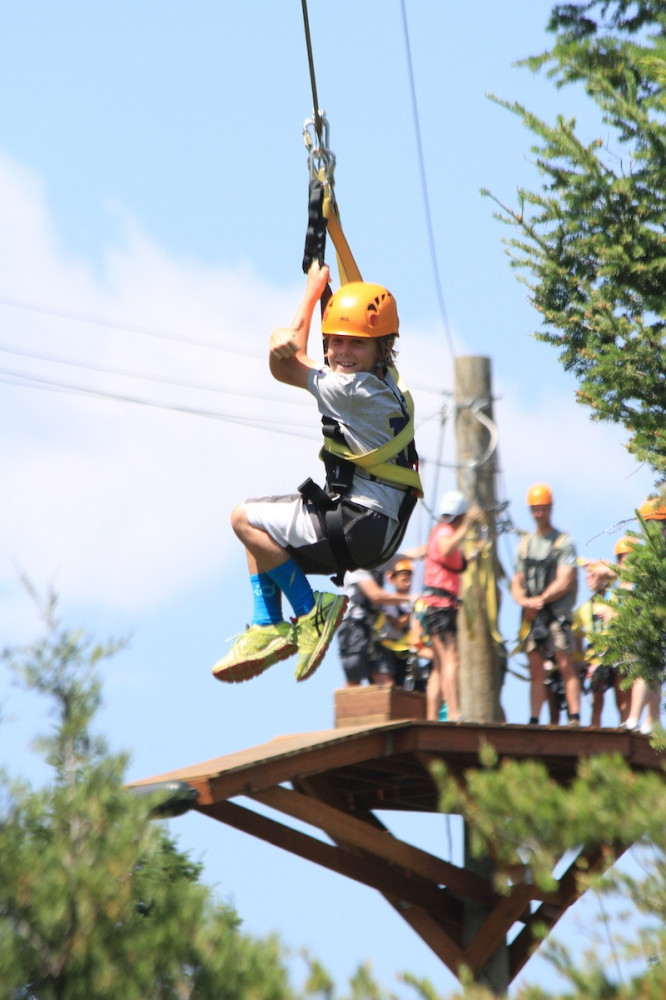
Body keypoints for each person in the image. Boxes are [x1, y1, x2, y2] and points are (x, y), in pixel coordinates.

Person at [212, 262, 422, 684]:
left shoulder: (349, 388)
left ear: (381, 348)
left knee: (242, 518)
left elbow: (285, 365)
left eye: (354, 345)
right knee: (263, 532)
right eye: (335, 342)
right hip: (377, 531)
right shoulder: (387, 382)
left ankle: (312, 611)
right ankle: (267, 623)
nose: (342, 353)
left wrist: (309, 297)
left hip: (359, 523)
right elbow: (301, 354)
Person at [510, 483, 580, 725]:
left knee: (564, 662)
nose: (539, 513)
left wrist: (540, 600)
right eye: (535, 509)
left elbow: (565, 580)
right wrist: (524, 601)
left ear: (551, 508)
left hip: (556, 611)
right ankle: (534, 718)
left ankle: (574, 717)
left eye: (543, 509)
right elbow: (517, 581)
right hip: (533, 614)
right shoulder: (526, 544)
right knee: (535, 668)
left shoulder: (563, 542)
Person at [419, 490, 479, 722]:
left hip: (436, 605)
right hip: (440, 605)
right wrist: (468, 527)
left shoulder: (443, 532)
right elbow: (445, 548)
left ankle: (432, 717)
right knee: (450, 659)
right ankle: (454, 712)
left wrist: (473, 555)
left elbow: (452, 560)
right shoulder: (445, 532)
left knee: (438, 665)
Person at [620, 498, 666, 734]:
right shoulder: (647, 551)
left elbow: (629, 585)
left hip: (649, 616)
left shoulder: (649, 551)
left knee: (646, 668)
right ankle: (651, 721)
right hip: (647, 614)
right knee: (653, 669)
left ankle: (636, 719)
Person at [338, 562, 417, 686]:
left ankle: (384, 703)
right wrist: (411, 599)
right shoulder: (356, 567)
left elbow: (404, 555)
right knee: (354, 677)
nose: (408, 582)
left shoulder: (378, 561)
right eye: (404, 578)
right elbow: (376, 595)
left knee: (385, 678)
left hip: (375, 634)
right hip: (355, 627)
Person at [573, 557, 626, 727]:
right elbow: (578, 640)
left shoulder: (616, 598)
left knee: (622, 693)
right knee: (597, 696)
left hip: (616, 653)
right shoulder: (583, 610)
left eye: (593, 575)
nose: (588, 578)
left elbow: (623, 575)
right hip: (595, 658)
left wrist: (601, 566)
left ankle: (626, 726)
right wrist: (582, 662)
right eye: (587, 575)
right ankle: (594, 728)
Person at [374, 558, 430, 691]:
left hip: (408, 652)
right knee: (396, 687)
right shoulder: (390, 603)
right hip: (390, 652)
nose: (408, 583)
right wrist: (413, 612)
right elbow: (397, 624)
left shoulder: (414, 604)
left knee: (417, 688)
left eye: (409, 579)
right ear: (393, 580)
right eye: (404, 579)